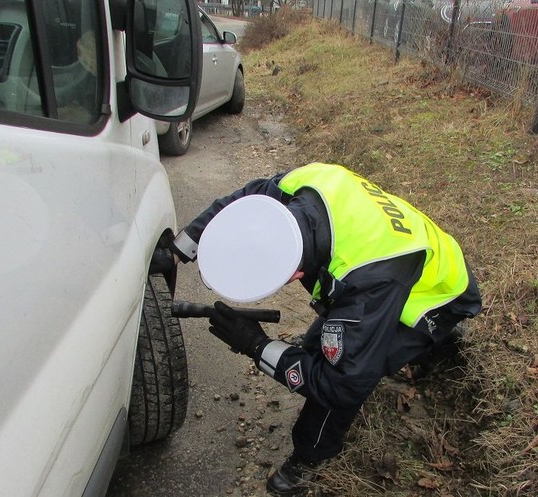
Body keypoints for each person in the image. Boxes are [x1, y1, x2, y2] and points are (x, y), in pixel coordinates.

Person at [158, 162, 482, 496]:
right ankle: (426, 346)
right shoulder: (303, 185)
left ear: (295, 276)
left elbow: (342, 385)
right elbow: (244, 202)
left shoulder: (368, 282)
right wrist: (178, 249)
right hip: (397, 265)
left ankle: (311, 456)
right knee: (322, 345)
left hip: (438, 295)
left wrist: (255, 345)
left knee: (337, 364)